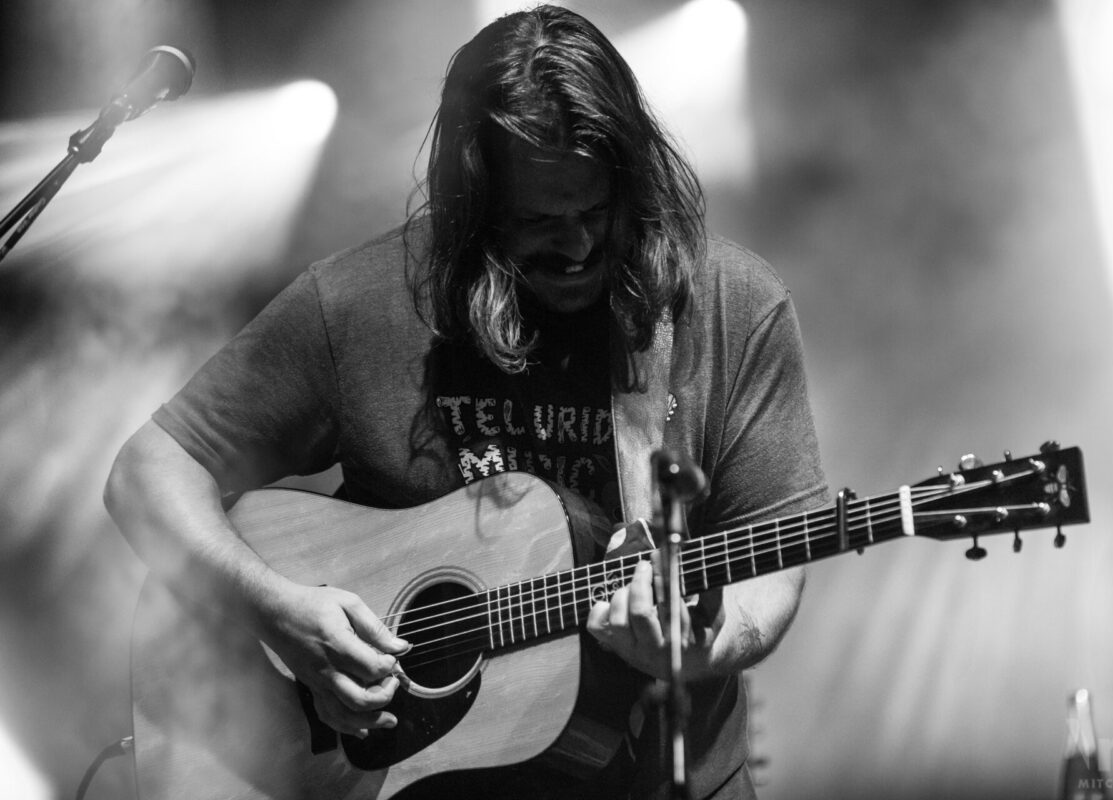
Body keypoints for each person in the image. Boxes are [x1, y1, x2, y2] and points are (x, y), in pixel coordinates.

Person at [105, 5, 827, 799]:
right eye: (539, 221)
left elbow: (776, 554)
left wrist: (702, 649)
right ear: (472, 206)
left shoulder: (729, 305)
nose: (580, 246)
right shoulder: (360, 304)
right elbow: (147, 471)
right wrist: (275, 609)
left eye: (596, 211)